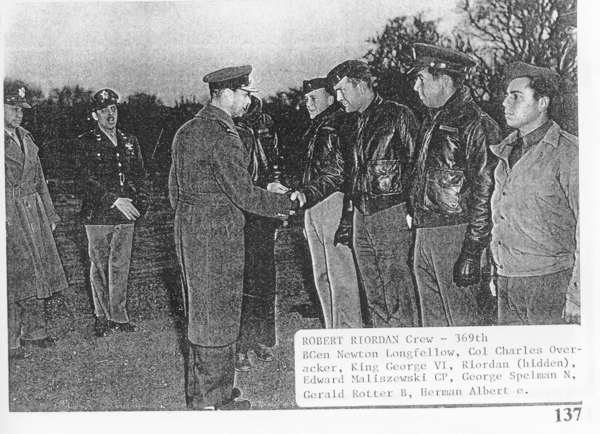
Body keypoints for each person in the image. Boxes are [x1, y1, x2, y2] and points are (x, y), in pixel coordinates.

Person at [168, 65, 293, 410]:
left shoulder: (187, 130)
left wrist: (192, 220)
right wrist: (286, 203)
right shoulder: (223, 135)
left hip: (190, 228)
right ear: (226, 94)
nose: (247, 104)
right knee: (219, 314)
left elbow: (173, 191)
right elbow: (244, 194)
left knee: (200, 309)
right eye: (244, 96)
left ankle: (202, 394)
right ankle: (215, 400)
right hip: (217, 233)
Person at [409, 43, 500, 327]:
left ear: (445, 80)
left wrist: (472, 251)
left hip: (455, 234)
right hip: (426, 231)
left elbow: (487, 192)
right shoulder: (432, 121)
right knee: (434, 327)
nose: (415, 87)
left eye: (421, 79)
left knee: (465, 326)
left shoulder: (476, 124)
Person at [326, 60, 420, 328]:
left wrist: (412, 214)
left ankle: (406, 346)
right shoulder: (349, 123)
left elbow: (417, 166)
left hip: (391, 212)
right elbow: (350, 177)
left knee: (398, 287)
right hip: (360, 215)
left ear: (362, 86)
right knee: (372, 290)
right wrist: (347, 219)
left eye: (343, 91)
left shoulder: (398, 115)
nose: (338, 99)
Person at [491, 62, 579, 325]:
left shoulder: (569, 153)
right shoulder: (505, 152)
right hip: (507, 281)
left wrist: (578, 295)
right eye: (506, 95)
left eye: (516, 96)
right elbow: (500, 218)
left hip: (550, 283)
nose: (505, 103)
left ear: (542, 103)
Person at [76, 89, 149, 338]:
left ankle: (118, 315)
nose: (111, 115)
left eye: (114, 109)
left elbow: (139, 174)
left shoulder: (130, 140)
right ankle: (101, 316)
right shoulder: (85, 141)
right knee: (99, 265)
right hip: (98, 215)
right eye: (105, 110)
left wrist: (140, 201)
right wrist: (112, 199)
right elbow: (84, 179)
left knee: (120, 265)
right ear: (95, 114)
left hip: (126, 213)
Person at [290, 77, 361, 329]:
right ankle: (333, 332)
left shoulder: (340, 124)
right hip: (314, 206)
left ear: (330, 99)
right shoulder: (316, 127)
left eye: (313, 99)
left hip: (332, 202)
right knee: (322, 275)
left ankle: (349, 336)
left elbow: (338, 172)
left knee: (340, 276)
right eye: (306, 99)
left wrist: (307, 194)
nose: (307, 104)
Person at [5, 81, 68, 359]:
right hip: (10, 211)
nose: (18, 114)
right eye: (12, 108)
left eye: (21, 109)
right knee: (15, 272)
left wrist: (51, 213)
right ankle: (9, 339)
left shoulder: (26, 138)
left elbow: (40, 180)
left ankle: (35, 332)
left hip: (34, 211)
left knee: (39, 268)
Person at [233, 95, 282, 372]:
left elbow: (275, 162)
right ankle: (239, 345)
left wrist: (275, 207)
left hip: (263, 207)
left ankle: (259, 340)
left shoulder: (265, 122)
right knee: (241, 277)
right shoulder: (228, 126)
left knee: (263, 276)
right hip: (241, 207)